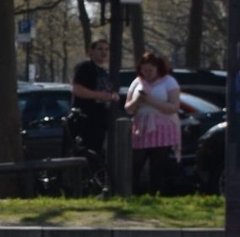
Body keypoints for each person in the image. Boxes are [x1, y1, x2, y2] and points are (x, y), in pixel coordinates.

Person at [125, 51, 183, 193]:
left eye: (150, 70)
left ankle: (156, 194)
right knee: (135, 164)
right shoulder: (137, 82)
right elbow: (128, 108)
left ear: (158, 68)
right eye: (144, 70)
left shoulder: (169, 82)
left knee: (158, 167)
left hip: (162, 128)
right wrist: (138, 100)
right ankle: (133, 193)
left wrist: (151, 101)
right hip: (140, 128)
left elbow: (174, 106)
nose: (147, 73)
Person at [70, 35, 117, 170]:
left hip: (100, 121)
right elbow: (77, 89)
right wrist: (99, 95)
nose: (104, 52)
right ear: (91, 52)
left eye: (107, 49)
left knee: (98, 156)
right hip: (85, 121)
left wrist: (112, 96)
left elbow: (106, 92)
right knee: (87, 157)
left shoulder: (103, 72)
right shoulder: (85, 67)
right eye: (100, 49)